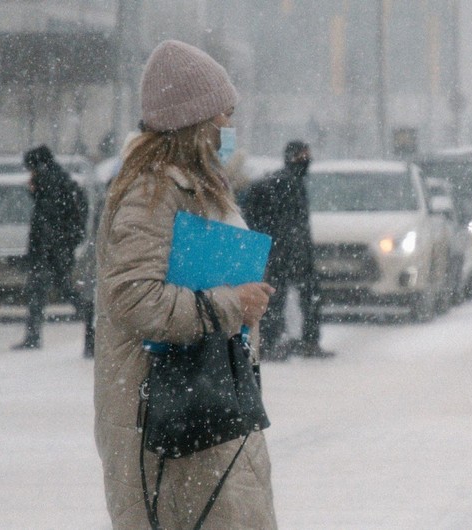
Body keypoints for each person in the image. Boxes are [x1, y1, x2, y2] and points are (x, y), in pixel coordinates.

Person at [94, 40, 277, 528]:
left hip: (206, 406)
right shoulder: (149, 192)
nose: (230, 128)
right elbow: (134, 298)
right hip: (168, 423)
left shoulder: (189, 184)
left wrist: (244, 302)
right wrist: (228, 305)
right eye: (225, 116)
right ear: (196, 123)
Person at [241, 141, 334, 360]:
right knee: (289, 297)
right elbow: (283, 221)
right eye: (303, 156)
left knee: (284, 297)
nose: (307, 160)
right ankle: (291, 342)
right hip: (287, 252)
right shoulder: (284, 183)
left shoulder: (286, 181)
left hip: (286, 251)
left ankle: (276, 342)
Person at [12, 145, 90, 350]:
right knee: (61, 288)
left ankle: (34, 336)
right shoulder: (60, 179)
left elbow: (46, 219)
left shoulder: (48, 181)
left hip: (49, 251)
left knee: (43, 290)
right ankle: (91, 321)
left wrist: (43, 251)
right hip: (58, 249)